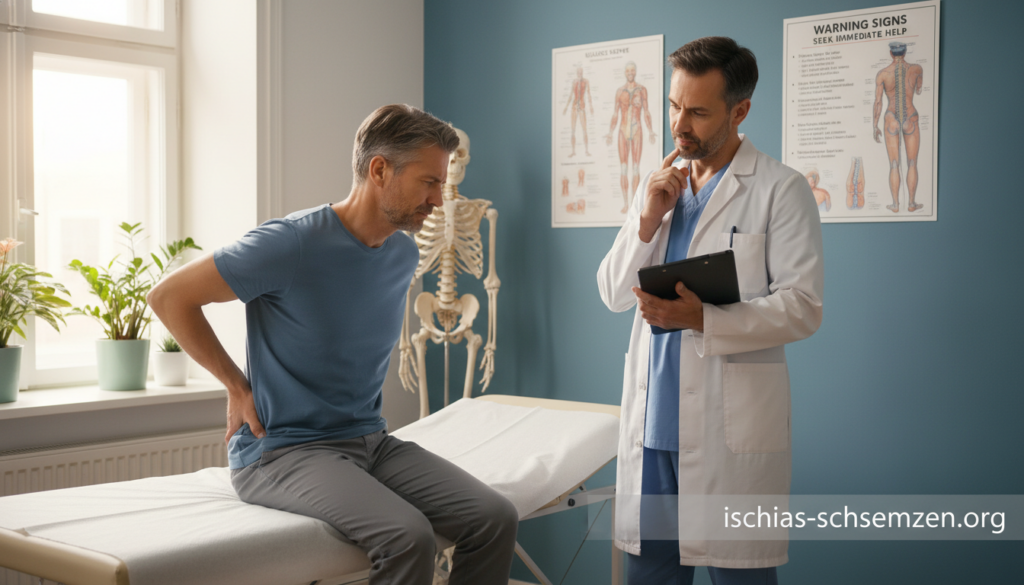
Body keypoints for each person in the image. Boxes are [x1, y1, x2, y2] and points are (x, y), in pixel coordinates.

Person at [148, 104, 519, 585]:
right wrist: (235, 387)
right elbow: (169, 297)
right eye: (429, 183)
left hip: (370, 441)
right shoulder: (289, 244)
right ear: (380, 170)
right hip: (282, 451)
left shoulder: (403, 253)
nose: (439, 201)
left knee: (494, 518)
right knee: (408, 537)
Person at [597, 37, 824, 584]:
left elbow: (803, 307)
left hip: (728, 429)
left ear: (739, 111)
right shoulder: (657, 188)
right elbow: (611, 291)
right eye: (675, 106)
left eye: (698, 112)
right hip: (653, 430)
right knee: (649, 574)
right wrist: (647, 219)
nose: (681, 124)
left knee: (737, 576)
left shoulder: (780, 190)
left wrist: (702, 318)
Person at [873, 41, 924, 213]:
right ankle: (911, 203)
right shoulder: (917, 69)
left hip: (891, 118)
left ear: (890, 53)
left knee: (894, 164)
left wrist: (875, 125)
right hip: (910, 117)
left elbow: (878, 102)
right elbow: (918, 90)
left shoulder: (882, 74)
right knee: (912, 163)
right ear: (905, 52)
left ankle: (895, 204)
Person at [605, 61, 657, 213]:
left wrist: (651, 130)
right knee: (623, 168)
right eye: (627, 70)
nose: (630, 73)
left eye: (632, 70)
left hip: (636, 130)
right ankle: (626, 203)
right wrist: (610, 132)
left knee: (635, 168)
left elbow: (646, 111)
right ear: (625, 72)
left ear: (635, 72)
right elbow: (615, 113)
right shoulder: (620, 91)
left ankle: (634, 205)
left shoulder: (642, 90)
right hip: (622, 130)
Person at [563, 65, 593, 157]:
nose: (580, 74)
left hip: (582, 107)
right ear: (577, 73)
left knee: (584, 129)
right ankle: (573, 151)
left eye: (581, 72)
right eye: (578, 72)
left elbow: (588, 94)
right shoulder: (574, 81)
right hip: (574, 107)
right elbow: (571, 95)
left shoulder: (586, 81)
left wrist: (591, 106)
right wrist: (566, 107)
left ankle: (586, 151)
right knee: (573, 130)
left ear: (582, 73)